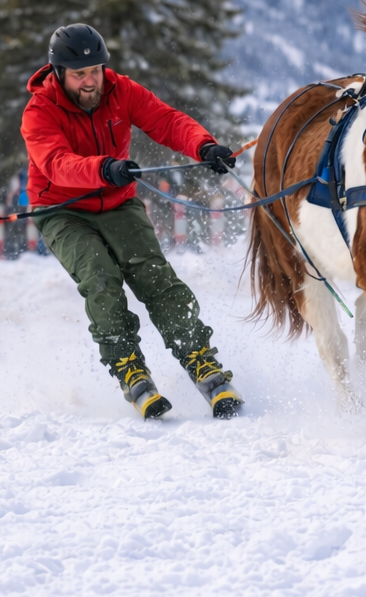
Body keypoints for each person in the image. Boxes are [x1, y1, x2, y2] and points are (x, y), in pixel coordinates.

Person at [21, 23, 244, 420]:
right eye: (80, 75)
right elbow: (56, 164)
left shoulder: (120, 89)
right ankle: (131, 371)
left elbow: (166, 120)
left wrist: (204, 145)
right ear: (59, 73)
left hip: (117, 201)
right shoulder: (39, 111)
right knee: (101, 278)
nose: (91, 81)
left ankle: (201, 360)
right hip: (62, 208)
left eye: (96, 71)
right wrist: (104, 167)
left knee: (154, 276)